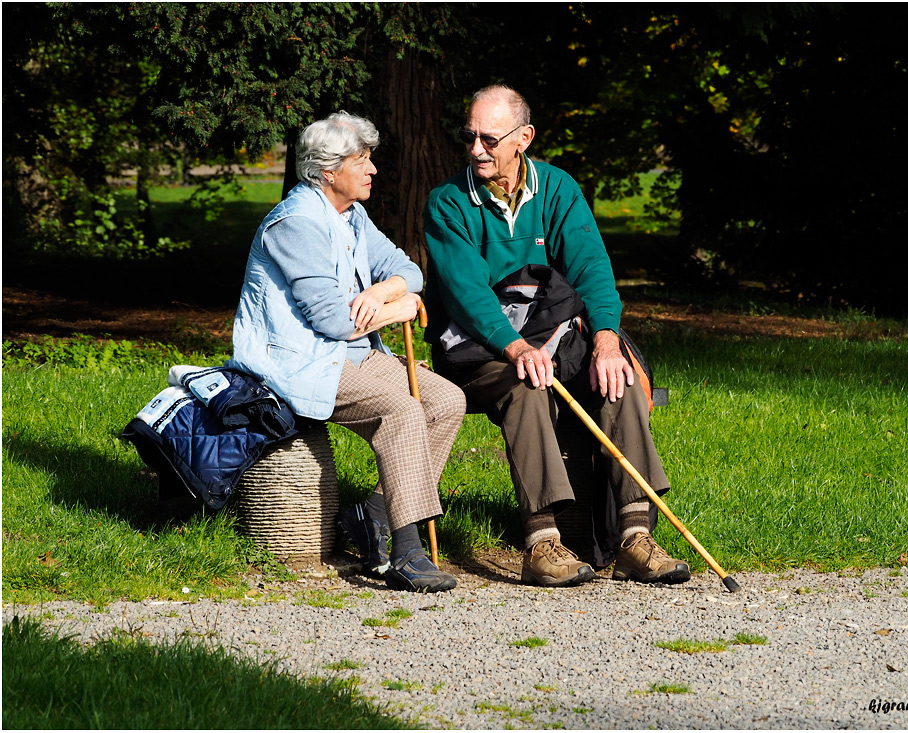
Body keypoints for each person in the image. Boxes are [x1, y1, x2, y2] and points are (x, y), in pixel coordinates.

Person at [423, 85, 691, 588]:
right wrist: (518, 347)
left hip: (553, 338)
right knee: (527, 385)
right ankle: (542, 541)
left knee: (623, 377)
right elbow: (466, 294)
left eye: (489, 138)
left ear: (523, 138)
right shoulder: (448, 203)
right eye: (469, 137)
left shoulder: (558, 188)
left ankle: (635, 536)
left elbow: (591, 268)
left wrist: (607, 339)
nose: (476, 149)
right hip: (478, 350)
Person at [228, 112, 465, 593]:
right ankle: (406, 549)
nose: (373, 169)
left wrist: (384, 294)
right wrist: (401, 310)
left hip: (351, 352)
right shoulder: (295, 223)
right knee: (402, 409)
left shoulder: (350, 215)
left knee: (446, 401)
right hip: (300, 360)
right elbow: (332, 321)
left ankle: (373, 514)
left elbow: (408, 269)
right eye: (363, 159)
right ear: (328, 171)